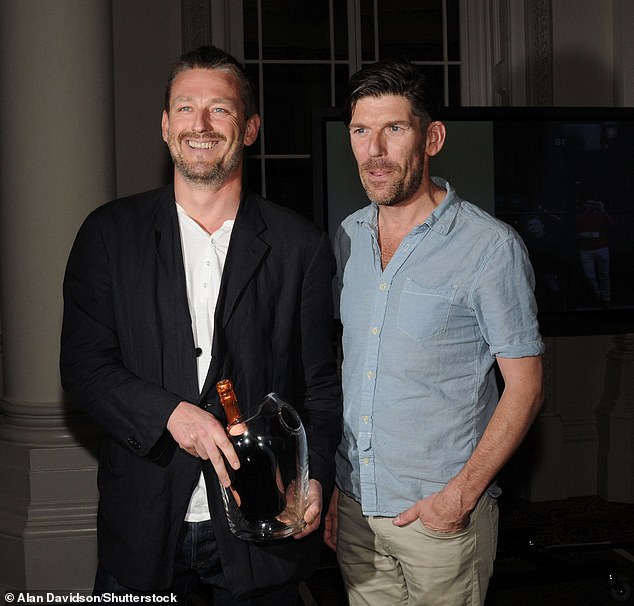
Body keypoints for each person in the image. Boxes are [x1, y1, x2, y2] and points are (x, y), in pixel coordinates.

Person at [60, 45, 342, 604]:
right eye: (186, 108)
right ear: (166, 126)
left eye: (221, 110)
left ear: (251, 127)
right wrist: (170, 415)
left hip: (260, 534)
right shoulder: (109, 235)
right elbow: (84, 368)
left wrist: (316, 479)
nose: (201, 125)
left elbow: (321, 392)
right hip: (142, 532)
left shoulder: (299, 246)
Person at [324, 59, 544, 606]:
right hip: (355, 511)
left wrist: (459, 497)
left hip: (441, 520)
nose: (374, 150)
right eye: (360, 131)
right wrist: (334, 487)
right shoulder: (347, 238)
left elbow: (526, 386)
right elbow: (348, 371)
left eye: (394, 129)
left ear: (433, 137)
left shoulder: (490, 248)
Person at [576, 198, 615, 308]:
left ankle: (606, 298)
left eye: (593, 204)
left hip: (602, 248)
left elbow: (612, 225)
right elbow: (574, 230)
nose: (591, 206)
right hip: (586, 251)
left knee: (604, 275)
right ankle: (597, 294)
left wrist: (603, 210)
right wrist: (584, 235)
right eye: (588, 203)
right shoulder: (580, 217)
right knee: (589, 276)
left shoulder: (601, 215)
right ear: (584, 205)